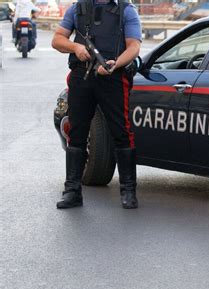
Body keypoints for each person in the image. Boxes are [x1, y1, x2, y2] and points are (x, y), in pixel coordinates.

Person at [51, 0, 141, 209]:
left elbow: (134, 46)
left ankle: (128, 191)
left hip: (113, 76)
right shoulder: (77, 8)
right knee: (77, 132)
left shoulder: (126, 10)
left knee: (121, 132)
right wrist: (75, 47)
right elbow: (57, 40)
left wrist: (115, 64)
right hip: (82, 76)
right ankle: (72, 191)